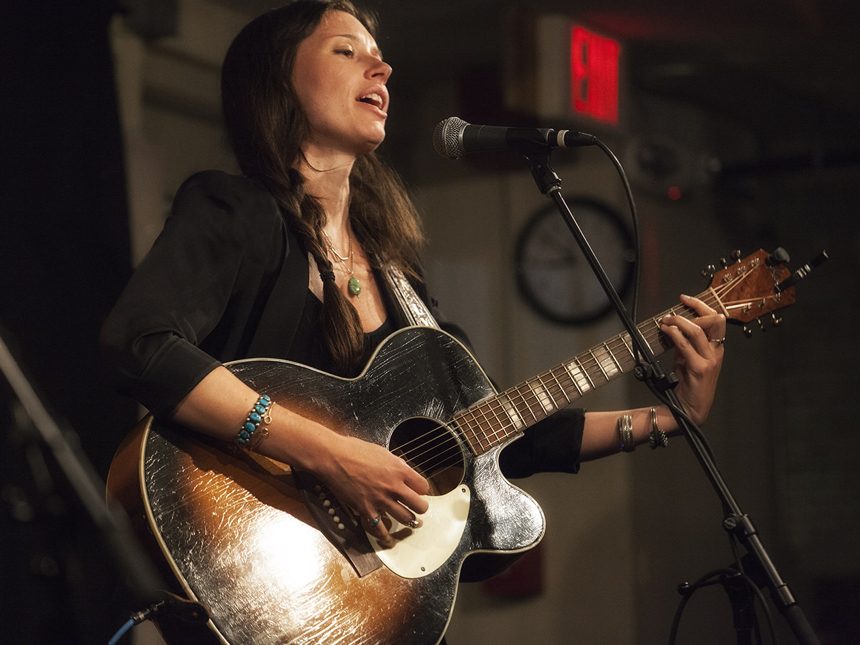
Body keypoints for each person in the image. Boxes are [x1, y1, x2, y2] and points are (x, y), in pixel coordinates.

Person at [100, 0, 725, 641]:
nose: (383, 65)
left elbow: (491, 436)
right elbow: (141, 343)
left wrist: (668, 418)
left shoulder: (400, 277)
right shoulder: (235, 210)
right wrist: (330, 454)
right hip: (250, 553)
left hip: (365, 605)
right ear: (276, 81)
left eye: (379, 54)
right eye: (347, 50)